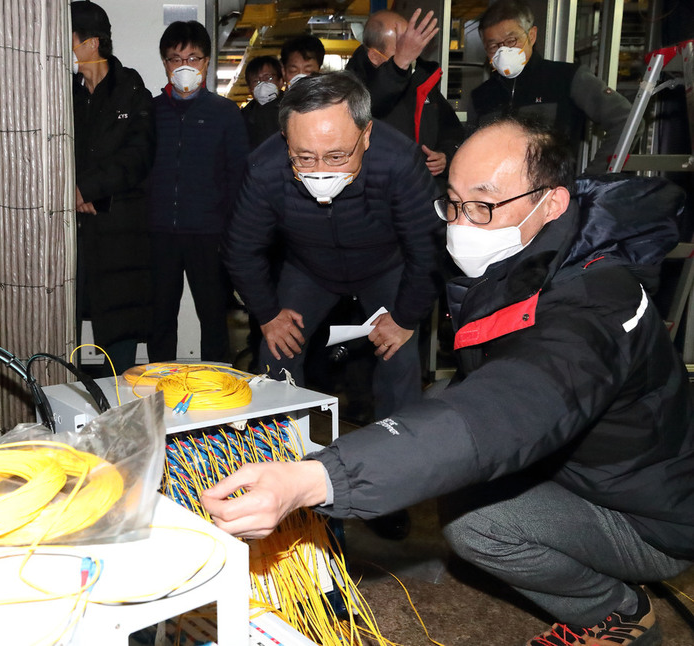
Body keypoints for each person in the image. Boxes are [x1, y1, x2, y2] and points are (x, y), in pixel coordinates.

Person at [204, 115, 693, 646]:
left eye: (481, 205)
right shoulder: (536, 255)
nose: (461, 224)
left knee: (475, 523)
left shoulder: (594, 305)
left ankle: (619, 612)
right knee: (439, 407)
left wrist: (314, 478)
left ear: (550, 203)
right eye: (453, 204)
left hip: (649, 516)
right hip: (592, 466)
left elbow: (506, 408)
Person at [224, 71, 440, 419]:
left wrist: (404, 318)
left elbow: (428, 247)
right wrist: (266, 313)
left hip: (385, 265)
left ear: (366, 134)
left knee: (398, 351)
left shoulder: (399, 161)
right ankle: (282, 445)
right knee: (278, 347)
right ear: (286, 140)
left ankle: (402, 452)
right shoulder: (265, 167)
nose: (321, 171)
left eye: (337, 156)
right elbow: (241, 247)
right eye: (304, 158)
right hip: (308, 266)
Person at [147, 21, 249, 363]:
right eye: (175, 59)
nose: (184, 66)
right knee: (159, 317)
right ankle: (158, 387)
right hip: (159, 232)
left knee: (213, 317)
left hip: (209, 232)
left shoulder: (225, 114)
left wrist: (232, 231)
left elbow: (238, 178)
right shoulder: (150, 112)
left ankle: (218, 384)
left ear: (206, 62)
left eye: (193, 57)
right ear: (165, 63)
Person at [71, 1, 156, 374]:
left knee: (118, 323)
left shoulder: (131, 91)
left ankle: (120, 407)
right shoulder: (63, 92)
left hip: (119, 231)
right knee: (63, 316)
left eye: (67, 39)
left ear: (91, 43)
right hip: (70, 230)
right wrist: (71, 194)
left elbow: (137, 158)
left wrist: (87, 190)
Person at [469, 0, 633, 174]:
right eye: (493, 46)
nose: (503, 51)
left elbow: (626, 120)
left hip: (554, 195)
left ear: (531, 36)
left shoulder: (565, 78)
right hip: (496, 198)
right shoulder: (482, 95)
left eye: (511, 40)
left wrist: (592, 179)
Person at [345, 8, 464, 188]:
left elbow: (451, 130)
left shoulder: (422, 79)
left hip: (424, 193)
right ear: (375, 57)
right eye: (402, 47)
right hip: (377, 194)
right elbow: (371, 103)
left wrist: (445, 156)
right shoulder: (351, 87)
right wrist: (398, 66)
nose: (411, 51)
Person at [241, 55, 283, 151]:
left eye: (269, 78)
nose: (263, 84)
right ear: (250, 89)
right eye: (256, 81)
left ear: (281, 81)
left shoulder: (293, 109)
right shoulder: (243, 117)